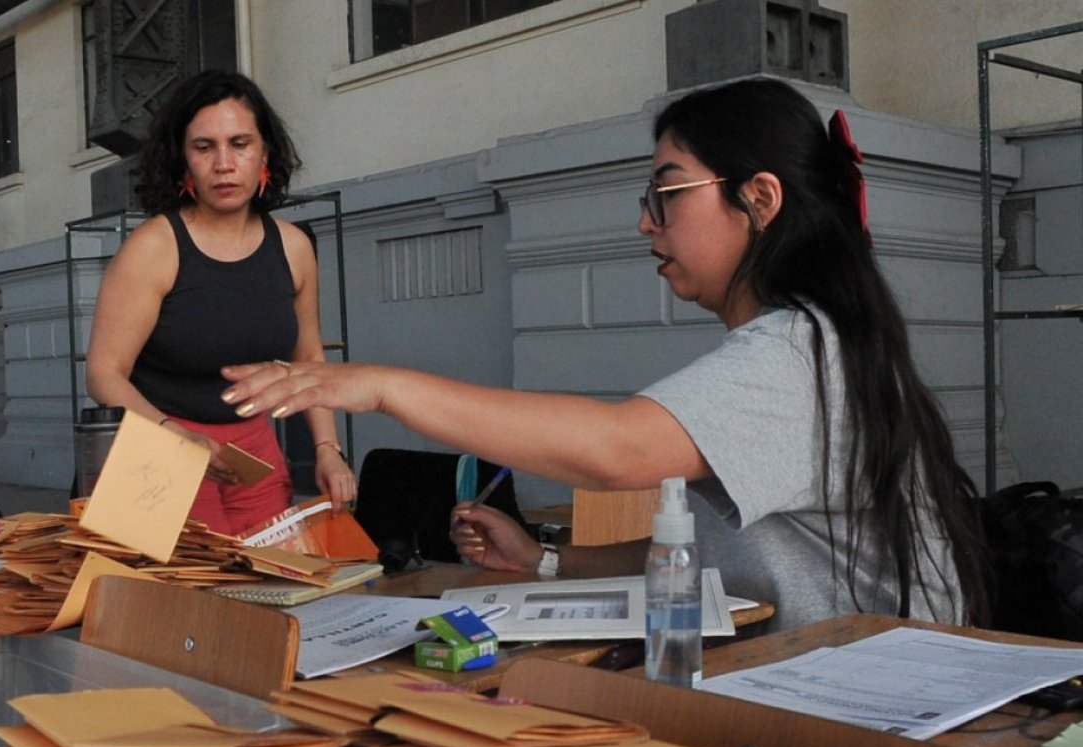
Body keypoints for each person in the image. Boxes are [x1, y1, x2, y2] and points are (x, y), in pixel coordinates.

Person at [221, 77, 986, 632]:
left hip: (858, 724)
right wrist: (543, 561)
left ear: (759, 199)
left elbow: (614, 451)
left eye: (668, 193)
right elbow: (704, 553)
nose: (647, 224)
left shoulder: (798, 352)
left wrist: (380, 385)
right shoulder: (810, 340)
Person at [85, 69, 355, 535]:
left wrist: (328, 451)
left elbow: (308, 358)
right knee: (181, 602)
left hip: (254, 453)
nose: (224, 164)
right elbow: (103, 374)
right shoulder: (155, 247)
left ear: (265, 152)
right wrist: (176, 435)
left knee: (269, 592)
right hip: (158, 450)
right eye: (204, 147)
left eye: (240, 143)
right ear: (183, 160)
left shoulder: (293, 247)